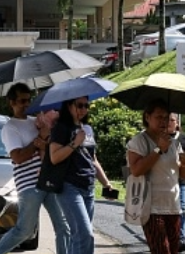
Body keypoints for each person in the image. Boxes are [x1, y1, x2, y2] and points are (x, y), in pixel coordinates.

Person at [0, 84, 70, 254]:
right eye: (21, 101)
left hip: (48, 179)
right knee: (25, 231)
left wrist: (45, 139)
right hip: (29, 185)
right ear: (11, 103)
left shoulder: (38, 121)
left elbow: (49, 146)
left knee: (63, 227)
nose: (26, 104)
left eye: (28, 100)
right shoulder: (10, 128)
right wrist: (39, 139)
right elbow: (17, 157)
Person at [127, 103, 185, 254]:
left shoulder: (173, 142)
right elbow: (136, 170)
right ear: (147, 117)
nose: (163, 121)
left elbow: (182, 175)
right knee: (161, 250)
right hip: (151, 208)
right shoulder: (139, 141)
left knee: (173, 250)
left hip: (173, 205)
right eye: (159, 117)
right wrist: (158, 149)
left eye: (166, 117)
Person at [48, 97, 115, 254]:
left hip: (88, 186)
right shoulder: (61, 128)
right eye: (79, 105)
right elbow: (54, 157)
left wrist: (106, 183)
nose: (84, 109)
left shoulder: (88, 129)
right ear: (69, 106)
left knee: (78, 236)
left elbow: (93, 160)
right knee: (85, 235)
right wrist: (75, 143)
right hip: (69, 186)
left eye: (86, 105)